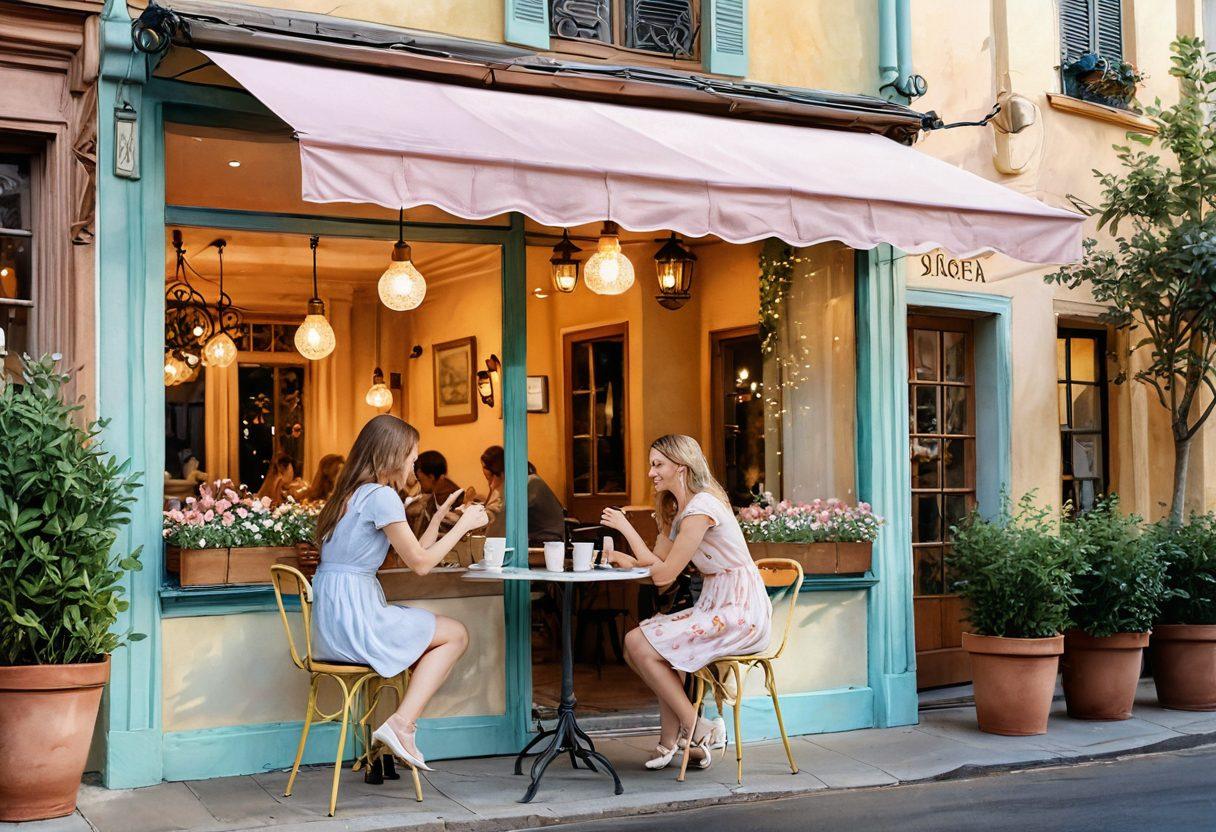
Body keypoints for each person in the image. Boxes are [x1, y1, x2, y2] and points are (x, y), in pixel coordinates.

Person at [310, 414, 489, 770]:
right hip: (358, 622)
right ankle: (401, 725)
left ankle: (396, 731)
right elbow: (422, 565)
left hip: (331, 626)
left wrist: (437, 522)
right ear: (392, 454)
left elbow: (410, 559)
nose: (414, 462)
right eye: (412, 454)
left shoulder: (348, 495)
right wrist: (465, 525)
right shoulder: (381, 496)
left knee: (432, 634)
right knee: (456, 634)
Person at [600, 434, 771, 773]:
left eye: (657, 464)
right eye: (651, 465)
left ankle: (695, 728)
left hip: (739, 609)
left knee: (639, 641)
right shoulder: (679, 511)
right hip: (716, 604)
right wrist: (627, 559)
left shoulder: (702, 509)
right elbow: (656, 563)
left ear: (681, 467)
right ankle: (682, 738)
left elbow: (664, 576)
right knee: (645, 648)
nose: (651, 473)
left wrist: (625, 527)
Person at [407, 450, 462, 536]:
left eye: (420, 480)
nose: (419, 485)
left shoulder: (454, 497)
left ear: (431, 477)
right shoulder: (434, 493)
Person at [463, 445, 505, 526]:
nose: (483, 471)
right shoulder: (495, 485)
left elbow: (488, 516)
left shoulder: (499, 490)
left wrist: (468, 503)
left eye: (484, 467)